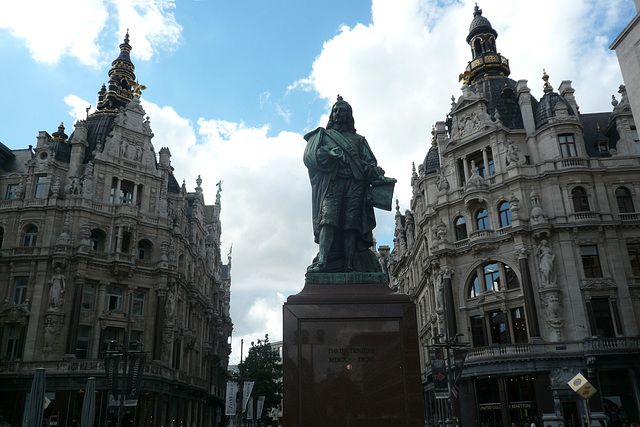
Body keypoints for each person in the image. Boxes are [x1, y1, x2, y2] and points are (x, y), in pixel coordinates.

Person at [304, 95, 394, 273]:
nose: (338, 113)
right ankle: (323, 260)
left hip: (355, 184)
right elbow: (311, 157)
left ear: (349, 115)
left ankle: (350, 264)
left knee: (351, 225)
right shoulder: (323, 136)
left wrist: (376, 173)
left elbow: (370, 164)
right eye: (335, 110)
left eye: (342, 111)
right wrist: (329, 155)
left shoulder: (359, 140)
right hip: (333, 183)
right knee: (327, 220)